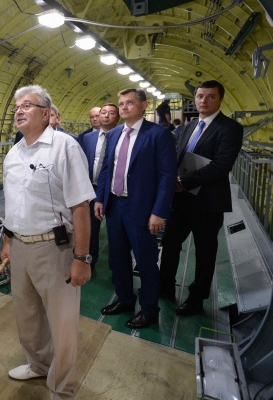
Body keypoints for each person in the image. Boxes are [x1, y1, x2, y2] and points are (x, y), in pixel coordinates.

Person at [0, 85, 94, 399]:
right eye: (17, 107)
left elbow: (80, 205)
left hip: (55, 248)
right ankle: (39, 365)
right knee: (27, 315)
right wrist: (9, 240)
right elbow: (13, 203)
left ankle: (62, 387)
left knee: (61, 323)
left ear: (46, 113)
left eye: (27, 105)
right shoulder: (14, 153)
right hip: (20, 246)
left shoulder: (64, 147)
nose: (19, 110)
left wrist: (82, 257)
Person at [94, 88, 177, 329]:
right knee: (118, 257)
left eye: (129, 102)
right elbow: (107, 169)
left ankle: (149, 310)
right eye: (121, 103)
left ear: (143, 105)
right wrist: (100, 199)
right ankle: (125, 299)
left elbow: (167, 176)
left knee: (145, 260)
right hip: (115, 205)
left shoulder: (158, 135)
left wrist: (159, 212)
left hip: (141, 207)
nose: (124, 107)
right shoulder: (114, 134)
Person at [159, 80, 243, 316]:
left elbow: (222, 165)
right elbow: (178, 156)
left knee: (205, 252)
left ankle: (196, 299)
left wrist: (184, 182)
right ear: (194, 99)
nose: (204, 101)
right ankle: (165, 287)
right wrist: (170, 180)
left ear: (220, 99)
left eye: (210, 96)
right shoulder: (189, 126)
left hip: (207, 202)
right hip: (180, 201)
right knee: (170, 244)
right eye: (200, 96)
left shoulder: (230, 128)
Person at [79, 104, 120, 275]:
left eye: (111, 113)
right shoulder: (88, 138)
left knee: (116, 231)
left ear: (118, 117)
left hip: (114, 190)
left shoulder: (122, 136)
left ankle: (116, 267)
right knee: (91, 228)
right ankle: (91, 261)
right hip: (92, 188)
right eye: (103, 113)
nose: (105, 116)